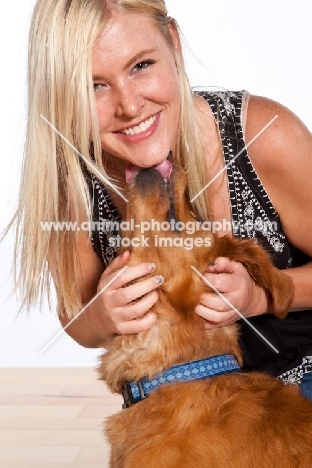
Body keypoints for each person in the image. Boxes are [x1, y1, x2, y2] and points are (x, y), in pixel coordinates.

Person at [11, 0, 312, 399]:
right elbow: (75, 315)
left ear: (174, 42)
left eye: (141, 66)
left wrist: (261, 295)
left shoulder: (265, 137)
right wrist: (102, 316)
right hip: (178, 400)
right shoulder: (74, 188)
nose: (130, 106)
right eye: (93, 86)